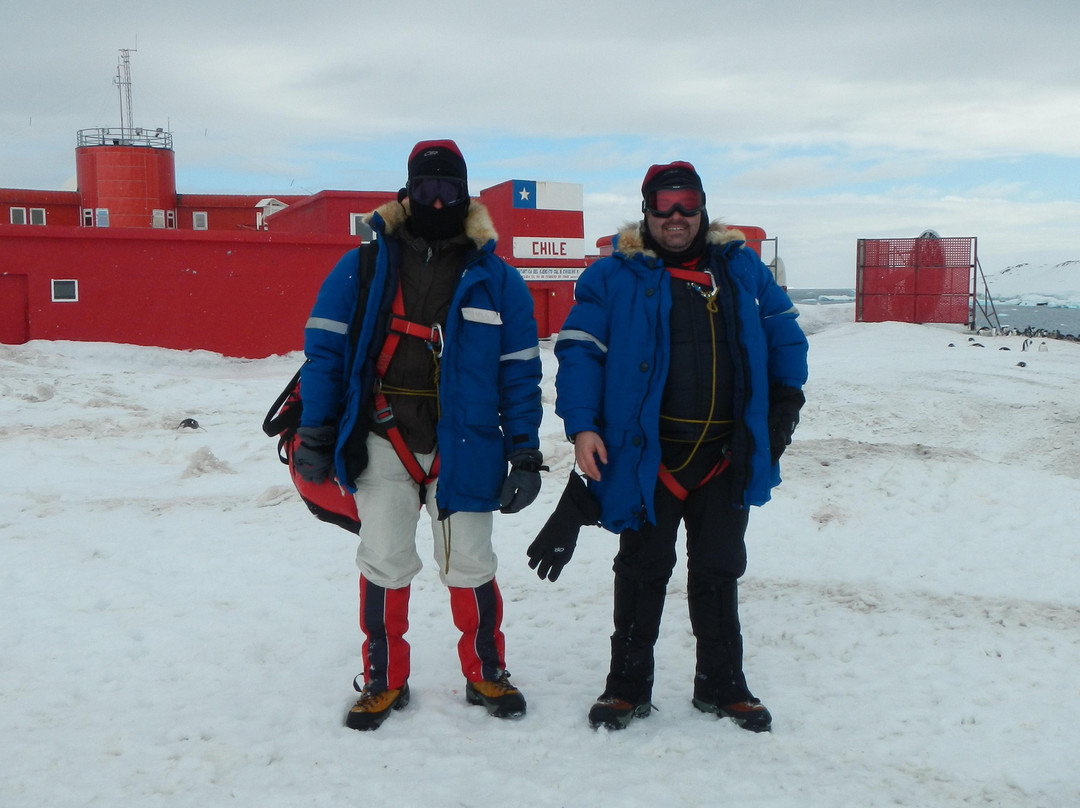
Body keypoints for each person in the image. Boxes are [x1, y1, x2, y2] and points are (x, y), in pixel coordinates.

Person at [544, 161, 808, 732]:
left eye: (687, 202)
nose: (676, 216)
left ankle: (722, 685)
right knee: (641, 570)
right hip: (647, 460)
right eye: (664, 204)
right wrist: (582, 426)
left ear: (703, 206)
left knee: (718, 571)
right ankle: (626, 686)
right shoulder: (612, 275)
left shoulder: (738, 269)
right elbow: (579, 351)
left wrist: (785, 408)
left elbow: (783, 332)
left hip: (722, 457)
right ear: (647, 210)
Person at [294, 140, 545, 731]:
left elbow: (520, 372)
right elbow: (325, 354)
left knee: (473, 563)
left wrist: (525, 451)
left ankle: (486, 671)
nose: (437, 200)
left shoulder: (497, 279)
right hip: (383, 437)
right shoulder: (363, 266)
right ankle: (383, 679)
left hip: (467, 445)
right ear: (409, 191)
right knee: (383, 560)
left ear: (464, 192)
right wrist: (317, 429)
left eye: (448, 189)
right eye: (426, 189)